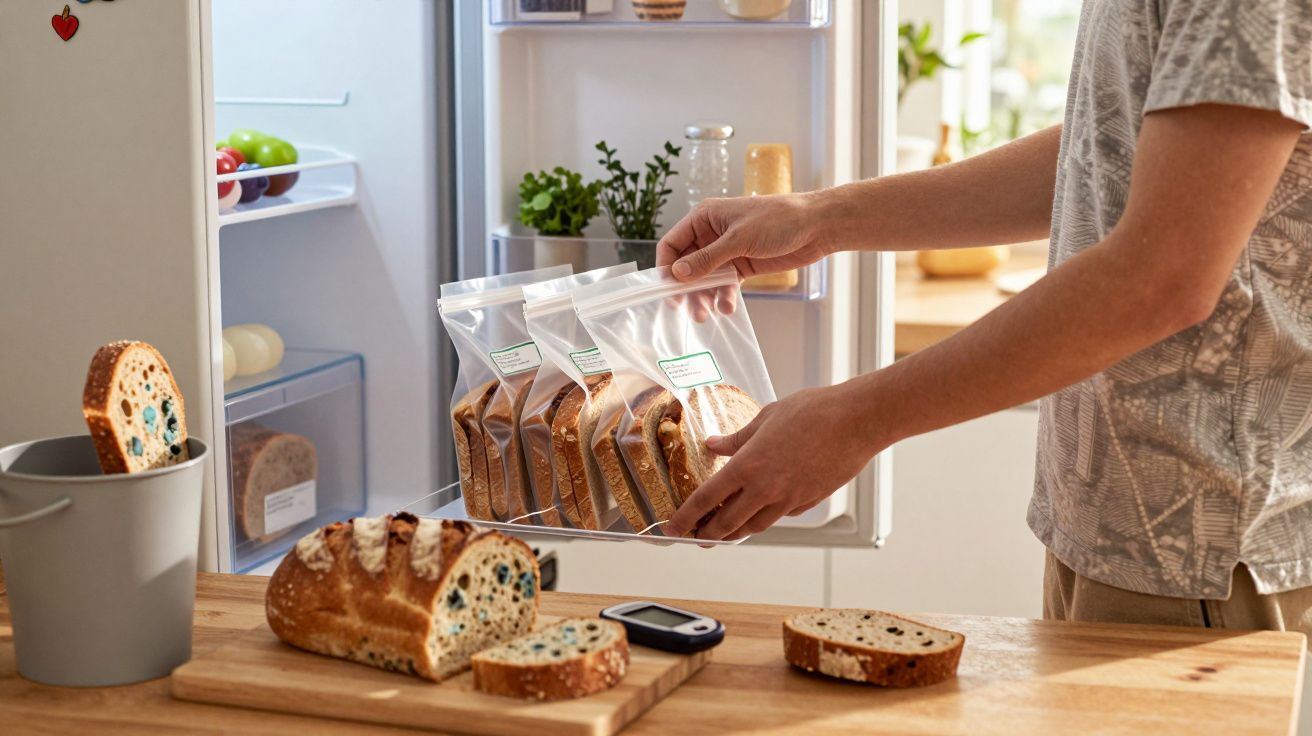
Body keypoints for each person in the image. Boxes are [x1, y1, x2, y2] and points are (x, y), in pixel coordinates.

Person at [657, 0, 1312, 633]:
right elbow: (1107, 148)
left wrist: (852, 419)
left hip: (1202, 544)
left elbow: (1161, 277)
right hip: (1111, 525)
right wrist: (821, 219)